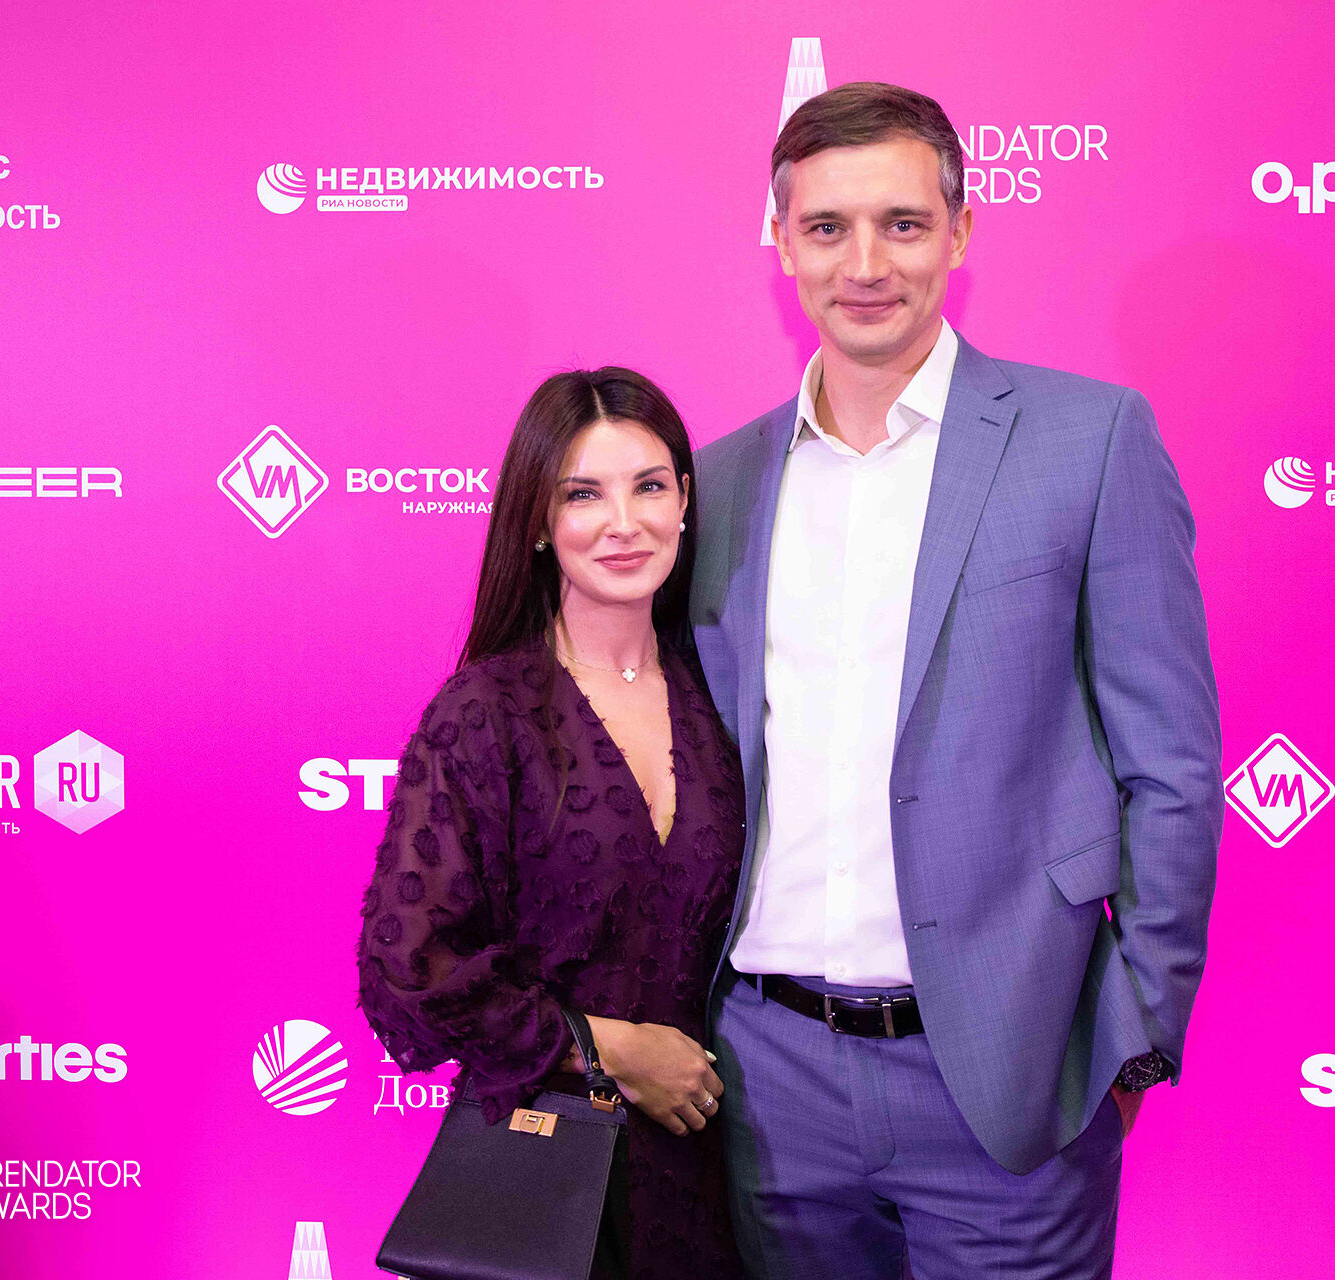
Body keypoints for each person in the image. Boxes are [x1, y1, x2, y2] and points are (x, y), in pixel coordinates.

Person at [691, 82, 1223, 1279]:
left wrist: (1133, 1035)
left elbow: (1174, 767)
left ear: (962, 230)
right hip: (768, 1082)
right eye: (826, 227)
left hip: (1009, 1072)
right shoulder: (718, 484)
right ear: (781, 244)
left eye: (902, 222)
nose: (864, 264)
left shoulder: (1090, 440)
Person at [357, 368, 744, 1278]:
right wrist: (609, 1049)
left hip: (710, 1176)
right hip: (543, 1179)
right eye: (584, 494)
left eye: (649, 486)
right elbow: (406, 969)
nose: (624, 522)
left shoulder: (721, 695)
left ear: (686, 502)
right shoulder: (486, 711)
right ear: (537, 520)